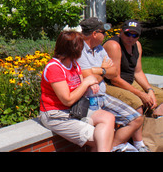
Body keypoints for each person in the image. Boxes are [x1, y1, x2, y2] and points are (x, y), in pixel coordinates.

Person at [40, 30, 116, 152]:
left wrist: (89, 86)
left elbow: (81, 88)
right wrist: (86, 82)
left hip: (76, 110)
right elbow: (67, 100)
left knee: (108, 118)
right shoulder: (54, 68)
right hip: (56, 115)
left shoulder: (74, 64)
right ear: (74, 49)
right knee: (102, 138)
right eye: (81, 46)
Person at [77, 17, 143, 152]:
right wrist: (103, 70)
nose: (105, 36)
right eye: (103, 32)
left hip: (103, 95)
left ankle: (112, 147)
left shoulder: (100, 49)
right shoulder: (78, 50)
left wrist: (97, 70)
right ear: (95, 34)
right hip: (87, 100)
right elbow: (85, 76)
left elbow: (113, 72)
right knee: (105, 125)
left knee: (136, 119)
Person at [104, 19, 163, 150]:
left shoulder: (137, 45)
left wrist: (149, 90)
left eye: (134, 35)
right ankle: (138, 144)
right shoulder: (114, 46)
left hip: (129, 81)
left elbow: (138, 72)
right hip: (110, 85)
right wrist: (141, 94)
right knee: (137, 103)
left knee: (160, 96)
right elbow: (115, 79)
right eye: (127, 34)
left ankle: (154, 137)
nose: (131, 38)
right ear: (121, 32)